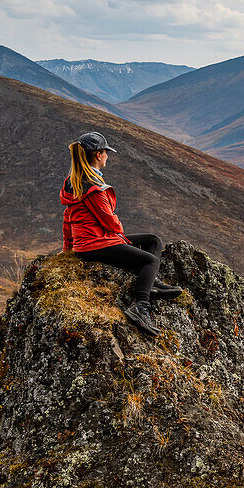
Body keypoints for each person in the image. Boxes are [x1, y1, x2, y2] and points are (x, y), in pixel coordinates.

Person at [60, 131, 182, 337]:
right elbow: (110, 221)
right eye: (106, 153)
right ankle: (141, 306)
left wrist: (68, 248)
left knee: (154, 240)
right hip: (97, 244)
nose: (108, 156)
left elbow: (68, 217)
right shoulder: (94, 187)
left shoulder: (74, 181)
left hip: (88, 242)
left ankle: (153, 283)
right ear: (98, 155)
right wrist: (118, 229)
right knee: (150, 261)